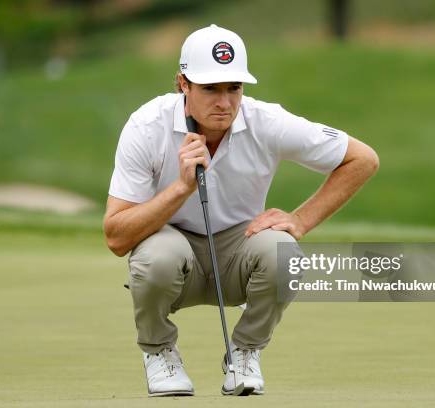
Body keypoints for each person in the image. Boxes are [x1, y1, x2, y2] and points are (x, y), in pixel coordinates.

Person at [104, 24, 379, 397]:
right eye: (210, 89)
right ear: (183, 84)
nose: (225, 102)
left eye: (234, 88)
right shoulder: (146, 126)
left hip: (239, 255)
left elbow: (362, 158)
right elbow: (117, 236)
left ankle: (245, 352)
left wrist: (301, 219)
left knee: (284, 252)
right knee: (156, 257)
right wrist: (181, 187)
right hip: (174, 255)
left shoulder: (268, 121)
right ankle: (160, 353)